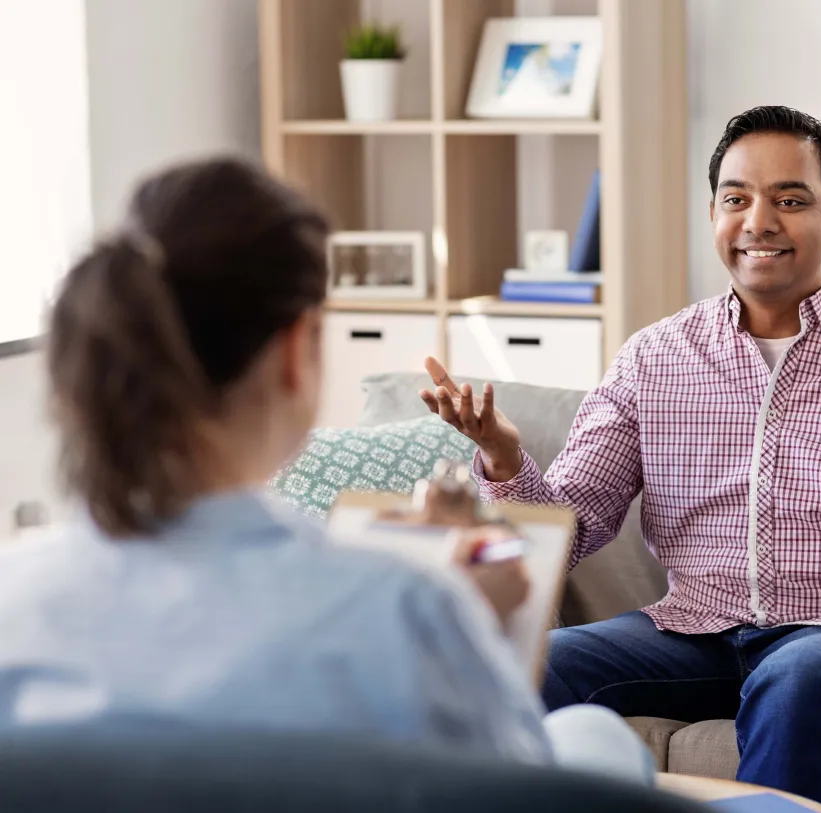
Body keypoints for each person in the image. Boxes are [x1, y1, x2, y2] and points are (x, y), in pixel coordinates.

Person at [420, 106, 821, 812]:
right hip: (693, 630)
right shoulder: (653, 358)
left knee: (798, 674)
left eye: (791, 200)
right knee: (537, 660)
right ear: (714, 212)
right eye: (737, 199)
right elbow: (565, 534)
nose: (760, 221)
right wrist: (506, 458)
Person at [0, 157, 653, 784]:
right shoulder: (404, 609)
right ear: (294, 351)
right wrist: (463, 614)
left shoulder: (14, 599)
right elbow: (508, 786)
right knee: (596, 739)